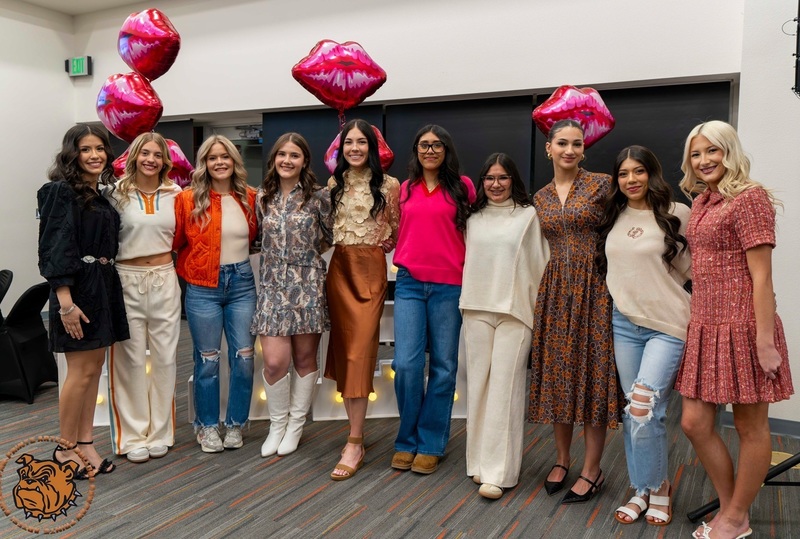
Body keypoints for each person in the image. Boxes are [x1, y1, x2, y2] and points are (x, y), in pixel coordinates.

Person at [675, 121, 793, 539]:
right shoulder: (703, 201)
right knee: (693, 422)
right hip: (705, 324)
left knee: (749, 427)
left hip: (744, 325)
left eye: (713, 151)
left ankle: (736, 517)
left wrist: (764, 341)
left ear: (730, 151)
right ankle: (732, 508)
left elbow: (762, 277)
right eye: (696, 153)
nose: (705, 160)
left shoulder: (750, 198)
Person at [595, 146, 691, 525]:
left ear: (653, 173)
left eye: (639, 171)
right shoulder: (613, 215)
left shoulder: (676, 213)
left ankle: (659, 487)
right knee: (636, 414)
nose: (631, 179)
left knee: (643, 407)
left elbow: (691, 270)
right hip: (624, 325)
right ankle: (642, 488)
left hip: (667, 327)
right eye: (623, 173)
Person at [528, 119, 620, 504]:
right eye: (562, 143)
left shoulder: (602, 185)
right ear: (548, 148)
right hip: (554, 291)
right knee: (559, 378)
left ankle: (593, 469)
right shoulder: (540, 197)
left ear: (584, 149)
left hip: (595, 289)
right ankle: (563, 459)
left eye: (577, 144)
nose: (569, 150)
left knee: (593, 377)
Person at [38, 124, 129, 477]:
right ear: (72, 154)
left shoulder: (99, 194)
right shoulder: (60, 192)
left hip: (102, 286)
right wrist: (65, 302)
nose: (95, 155)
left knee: (94, 371)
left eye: (100, 149)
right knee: (78, 373)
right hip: (75, 291)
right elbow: (54, 247)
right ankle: (64, 449)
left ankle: (86, 443)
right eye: (86, 149)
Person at [460, 153, 549, 499]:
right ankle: (478, 464)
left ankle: (499, 472)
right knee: (478, 388)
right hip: (475, 307)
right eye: (489, 178)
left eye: (503, 178)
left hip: (515, 310)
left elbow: (541, 263)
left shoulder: (529, 216)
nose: (496, 185)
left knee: (505, 390)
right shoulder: (472, 218)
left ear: (513, 180)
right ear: (481, 182)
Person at [391, 124, 476, 475]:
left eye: (437, 145)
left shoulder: (463, 187)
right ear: (416, 150)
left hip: (449, 285)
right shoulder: (405, 188)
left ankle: (430, 442)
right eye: (423, 145)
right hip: (409, 283)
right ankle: (407, 438)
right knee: (407, 365)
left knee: (443, 368)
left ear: (447, 150)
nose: (430, 150)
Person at [325, 119, 400, 481]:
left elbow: (398, 231)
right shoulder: (333, 184)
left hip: (369, 270)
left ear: (372, 146)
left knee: (359, 354)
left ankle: (355, 441)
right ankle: (353, 436)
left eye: (361, 142)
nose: (354, 148)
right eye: (348, 142)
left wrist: (384, 244)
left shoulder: (390, 185)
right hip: (339, 270)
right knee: (345, 353)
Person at [174, 135, 258, 453]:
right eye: (212, 158)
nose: (219, 162)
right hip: (202, 288)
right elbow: (176, 242)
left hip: (242, 284)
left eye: (225, 156)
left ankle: (235, 424)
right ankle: (207, 426)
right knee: (207, 360)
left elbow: (255, 236)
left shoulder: (249, 197)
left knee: (245, 358)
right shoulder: (187, 200)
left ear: (234, 160)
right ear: (204, 164)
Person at [251, 133, 332, 459]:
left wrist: (304, 262)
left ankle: (295, 425)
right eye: (282, 154)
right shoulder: (261, 198)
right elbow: (257, 239)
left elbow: (329, 237)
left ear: (304, 161)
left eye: (294, 155)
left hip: (307, 286)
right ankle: (277, 424)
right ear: (274, 159)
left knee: (303, 360)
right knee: (273, 362)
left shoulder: (318, 197)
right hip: (272, 288)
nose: (287, 160)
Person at [106, 132, 182, 464]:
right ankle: (133, 435)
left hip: (165, 278)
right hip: (126, 279)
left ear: (166, 161)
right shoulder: (114, 195)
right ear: (134, 155)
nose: (151, 159)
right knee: (130, 359)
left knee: (165, 357)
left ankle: (161, 432)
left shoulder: (176, 194)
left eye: (157, 154)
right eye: (145, 153)